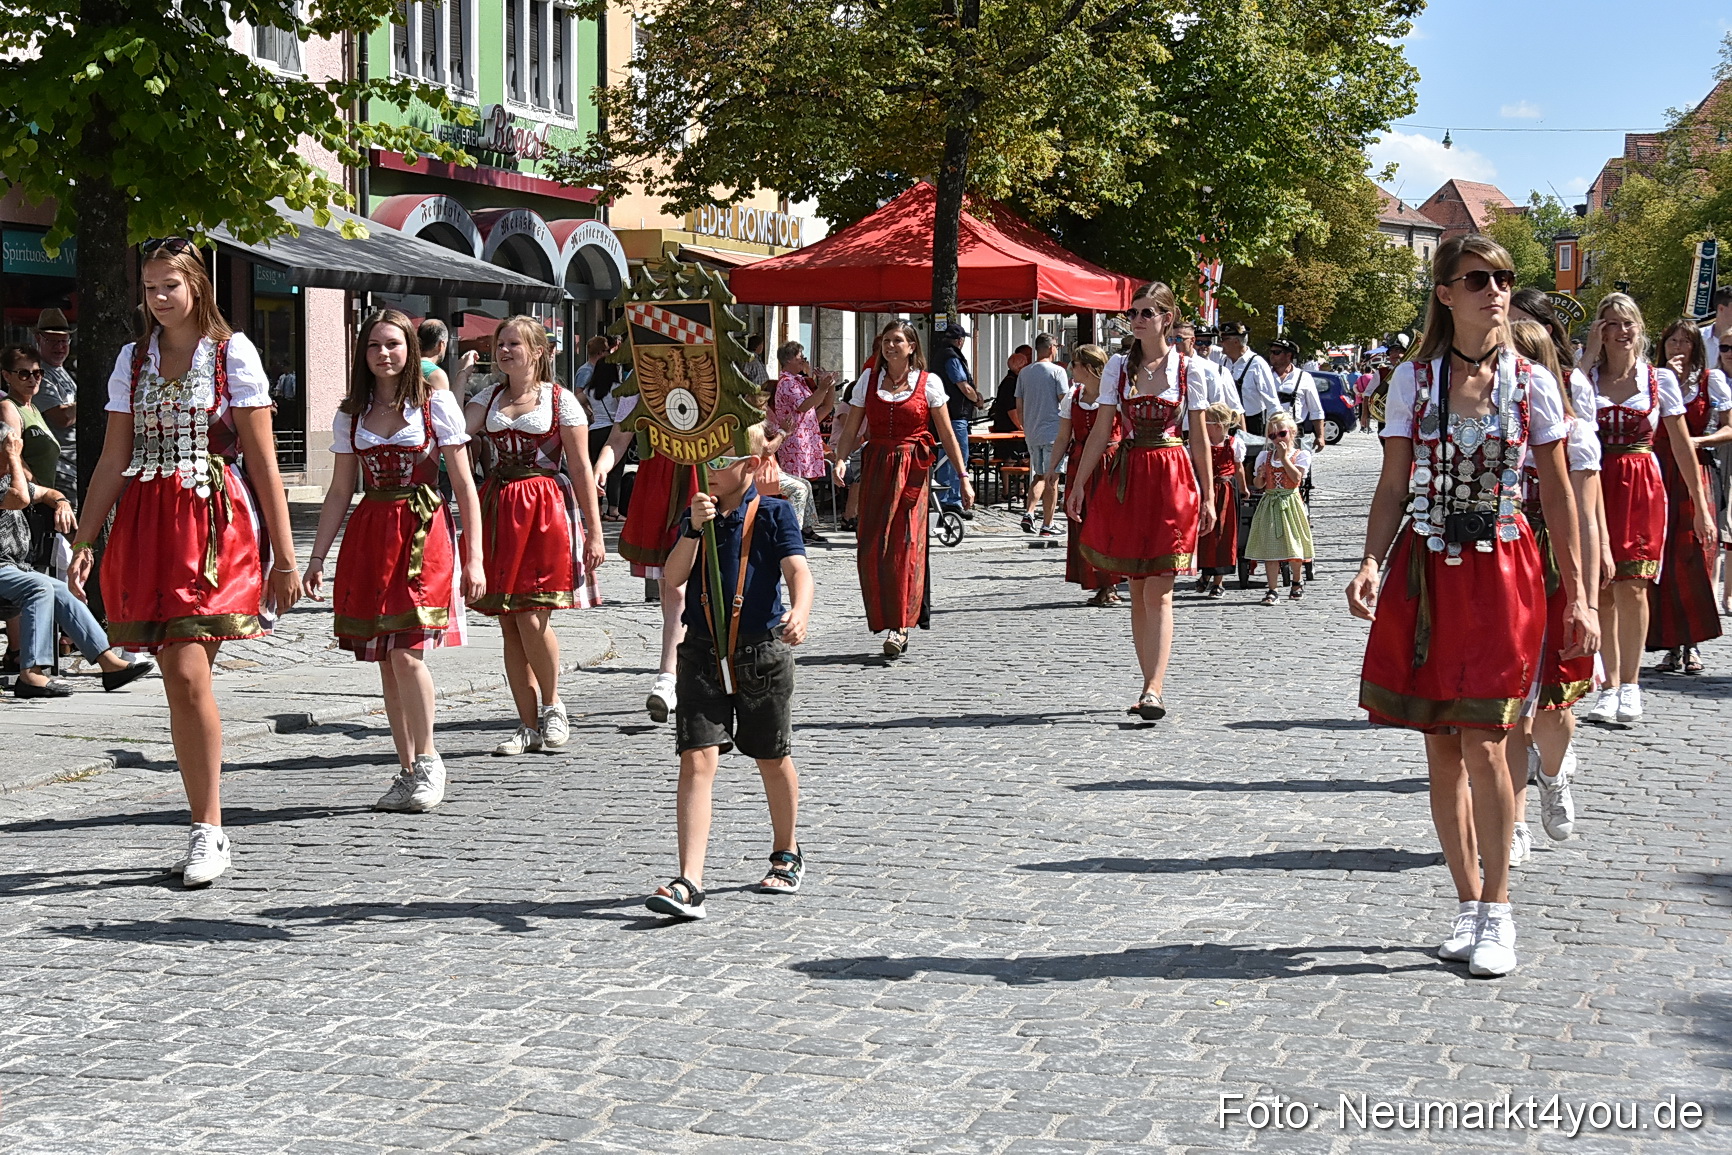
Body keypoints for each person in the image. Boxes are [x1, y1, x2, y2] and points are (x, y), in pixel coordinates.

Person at [1347, 235, 1595, 978]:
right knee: (1442, 747)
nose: (1496, 291)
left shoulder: (1533, 384)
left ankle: (1499, 907)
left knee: (1488, 740)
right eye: (1479, 279)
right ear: (1445, 293)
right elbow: (1393, 486)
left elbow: (1559, 495)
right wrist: (1369, 560)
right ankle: (1466, 903)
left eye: (1504, 279)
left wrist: (1580, 594)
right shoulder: (1412, 380)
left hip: (1505, 572)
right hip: (1428, 570)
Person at [67, 238, 302, 888]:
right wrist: (84, 541)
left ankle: (207, 826)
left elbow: (263, 462)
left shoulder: (232, 354)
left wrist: (286, 557)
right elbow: (113, 458)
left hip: (213, 523)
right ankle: (205, 822)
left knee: (188, 669)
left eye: (169, 284)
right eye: (149, 288)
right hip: (147, 523)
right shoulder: (132, 359)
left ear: (197, 284)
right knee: (177, 676)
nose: (159, 298)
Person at [303, 312, 483, 814]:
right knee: (385, 659)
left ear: (410, 350)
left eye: (394, 344)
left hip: (423, 530)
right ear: (362, 355)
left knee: (406, 652)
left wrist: (475, 557)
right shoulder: (351, 414)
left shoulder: (434, 404)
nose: (384, 354)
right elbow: (340, 490)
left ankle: (429, 760)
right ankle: (406, 769)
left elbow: (464, 485)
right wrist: (316, 557)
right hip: (371, 533)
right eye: (374, 346)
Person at [645, 423, 814, 920]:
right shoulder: (697, 513)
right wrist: (692, 530)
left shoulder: (775, 512)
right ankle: (689, 881)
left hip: (760, 653)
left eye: (723, 460)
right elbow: (673, 577)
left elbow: (798, 570)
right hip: (701, 652)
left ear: (751, 465)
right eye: (707, 458)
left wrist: (801, 610)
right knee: (696, 759)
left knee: (771, 756)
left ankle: (787, 850)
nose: (712, 470)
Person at [1066, 282, 1215, 720]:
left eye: (1147, 312)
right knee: (1136, 588)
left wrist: (1208, 495)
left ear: (1167, 319)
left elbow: (1199, 438)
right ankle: (1147, 681)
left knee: (1160, 589)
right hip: (1129, 476)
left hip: (1171, 477)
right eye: (1133, 312)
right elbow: (1101, 430)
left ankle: (1154, 688)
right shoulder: (1118, 366)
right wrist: (1078, 483)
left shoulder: (1189, 369)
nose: (1137, 319)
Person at [466, 317, 607, 756]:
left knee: (531, 615)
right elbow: (455, 432)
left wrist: (595, 532)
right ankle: (527, 724)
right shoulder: (488, 397)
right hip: (497, 508)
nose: (504, 350)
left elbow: (580, 468)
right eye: (501, 344)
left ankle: (553, 705)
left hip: (544, 510)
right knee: (508, 622)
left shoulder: (560, 401)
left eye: (514, 343)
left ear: (538, 351)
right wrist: (458, 379)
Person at [1581, 295, 1713, 725]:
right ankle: (1608, 685)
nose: (1621, 331)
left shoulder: (1659, 380)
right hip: (1595, 481)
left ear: (1640, 328)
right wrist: (1587, 357)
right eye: (1611, 323)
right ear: (1599, 329)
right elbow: (1567, 417)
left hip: (1640, 483)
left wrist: (1700, 507)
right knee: (1602, 587)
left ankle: (1631, 684)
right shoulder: (1586, 378)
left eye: (1628, 323)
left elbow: (1681, 445)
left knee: (1634, 585)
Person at [1505, 318, 1601, 866]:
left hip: (1556, 563)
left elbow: (1584, 516)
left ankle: (1553, 772)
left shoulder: (1573, 431)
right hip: (1505, 561)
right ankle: (1513, 821)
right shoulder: (1489, 430)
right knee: (1509, 701)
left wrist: (1587, 595)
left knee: (1555, 705)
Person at [833, 321, 975, 657]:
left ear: (912, 347)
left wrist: (963, 476)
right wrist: (840, 459)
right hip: (877, 466)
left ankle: (900, 626)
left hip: (912, 470)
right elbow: (852, 428)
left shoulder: (929, 383)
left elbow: (947, 434)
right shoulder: (868, 381)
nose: (890, 346)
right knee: (872, 547)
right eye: (886, 340)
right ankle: (884, 615)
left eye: (897, 340)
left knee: (905, 544)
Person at [0, 408, 153, 698]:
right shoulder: (10, 483)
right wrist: (13, 458)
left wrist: (61, 502)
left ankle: (109, 664)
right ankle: (30, 674)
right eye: (9, 451)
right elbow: (19, 498)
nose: (14, 457)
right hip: (2, 568)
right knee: (39, 587)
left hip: (14, 568)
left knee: (60, 589)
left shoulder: (9, 479)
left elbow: (44, 493)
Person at [596, 378, 701, 722]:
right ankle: (671, 676)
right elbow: (619, 438)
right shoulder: (641, 382)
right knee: (672, 586)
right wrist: (602, 466)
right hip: (659, 485)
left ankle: (681, 672)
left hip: (704, 480)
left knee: (700, 585)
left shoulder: (710, 372)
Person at [1645, 318, 1726, 673]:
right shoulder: (1650, 380)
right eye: (1672, 341)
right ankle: (1668, 643)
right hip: (1657, 470)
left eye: (1685, 341)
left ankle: (1692, 643)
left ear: (1695, 347)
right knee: (1660, 556)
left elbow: (1730, 427)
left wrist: (1698, 440)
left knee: (1692, 554)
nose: (1677, 347)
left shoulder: (1709, 381)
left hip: (1691, 471)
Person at [1051, 344, 1122, 606]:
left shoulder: (1115, 396)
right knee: (1083, 520)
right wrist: (1052, 468)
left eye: (1076, 364)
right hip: (1079, 462)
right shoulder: (1073, 396)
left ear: (1090, 368)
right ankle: (1098, 581)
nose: (1071, 368)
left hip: (1111, 463)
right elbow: (1063, 436)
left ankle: (1111, 583)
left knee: (1109, 522)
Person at [768, 340, 837, 541]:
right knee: (797, 484)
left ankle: (806, 527)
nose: (804, 360)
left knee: (804, 483)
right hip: (794, 442)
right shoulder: (787, 382)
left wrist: (829, 386)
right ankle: (794, 528)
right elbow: (804, 406)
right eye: (800, 357)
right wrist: (822, 388)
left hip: (805, 439)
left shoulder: (798, 381)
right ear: (789, 359)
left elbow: (823, 407)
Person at [0, 346, 64, 559]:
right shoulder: (8, 407)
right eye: (24, 373)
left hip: (43, 501)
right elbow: (13, 455)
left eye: (37, 373)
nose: (32, 379)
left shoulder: (33, 409)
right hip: (24, 505)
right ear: (6, 376)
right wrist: (39, 492)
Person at [1245, 411, 1314, 604]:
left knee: (1294, 544)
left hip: (1290, 502)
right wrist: (1260, 476)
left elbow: (1297, 478)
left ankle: (1296, 581)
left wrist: (1284, 458)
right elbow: (1258, 485)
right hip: (1270, 502)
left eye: (1282, 434)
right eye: (1272, 435)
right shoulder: (1265, 456)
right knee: (1270, 547)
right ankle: (1272, 589)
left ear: (1292, 432)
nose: (1277, 439)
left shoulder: (1300, 455)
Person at [1015, 334, 1069, 536]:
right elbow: (1065, 401)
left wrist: (1025, 424)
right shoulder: (1057, 371)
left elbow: (1019, 403)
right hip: (1054, 432)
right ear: (1051, 348)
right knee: (1052, 479)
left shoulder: (1024, 372)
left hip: (1033, 432)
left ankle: (1029, 513)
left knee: (1039, 476)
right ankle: (1048, 524)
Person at [1193, 401, 1245, 599]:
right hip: (1204, 491)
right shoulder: (1199, 444)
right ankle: (1206, 572)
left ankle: (1218, 582)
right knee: (1205, 535)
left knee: (1223, 534)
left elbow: (1238, 468)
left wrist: (1244, 489)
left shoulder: (1234, 443)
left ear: (1216, 425)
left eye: (1205, 422)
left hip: (1225, 492)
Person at [930, 323, 981, 516]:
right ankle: (953, 501)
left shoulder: (939, 355)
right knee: (957, 457)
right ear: (960, 341)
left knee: (945, 458)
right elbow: (963, 385)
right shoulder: (952, 357)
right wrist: (976, 399)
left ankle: (942, 499)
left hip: (944, 414)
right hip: (955, 415)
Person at [32, 309, 78, 497]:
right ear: (38, 339)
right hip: (60, 467)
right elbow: (61, 417)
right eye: (52, 341)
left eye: (63, 341)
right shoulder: (39, 375)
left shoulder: (60, 370)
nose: (59, 347)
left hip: (74, 464)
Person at [1262, 338, 1327, 454]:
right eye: (1271, 352)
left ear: (1288, 355)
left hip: (1294, 432)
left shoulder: (1304, 377)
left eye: (1276, 352)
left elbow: (1315, 410)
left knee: (1294, 463)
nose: (1272, 355)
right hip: (1268, 431)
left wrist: (1320, 436)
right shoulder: (1264, 375)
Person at [1211, 321, 1277, 435]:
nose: (1220, 343)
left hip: (1252, 423)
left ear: (1236, 342)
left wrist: (1278, 425)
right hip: (1226, 422)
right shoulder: (1222, 360)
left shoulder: (1257, 364)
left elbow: (1271, 399)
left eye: (1223, 339)